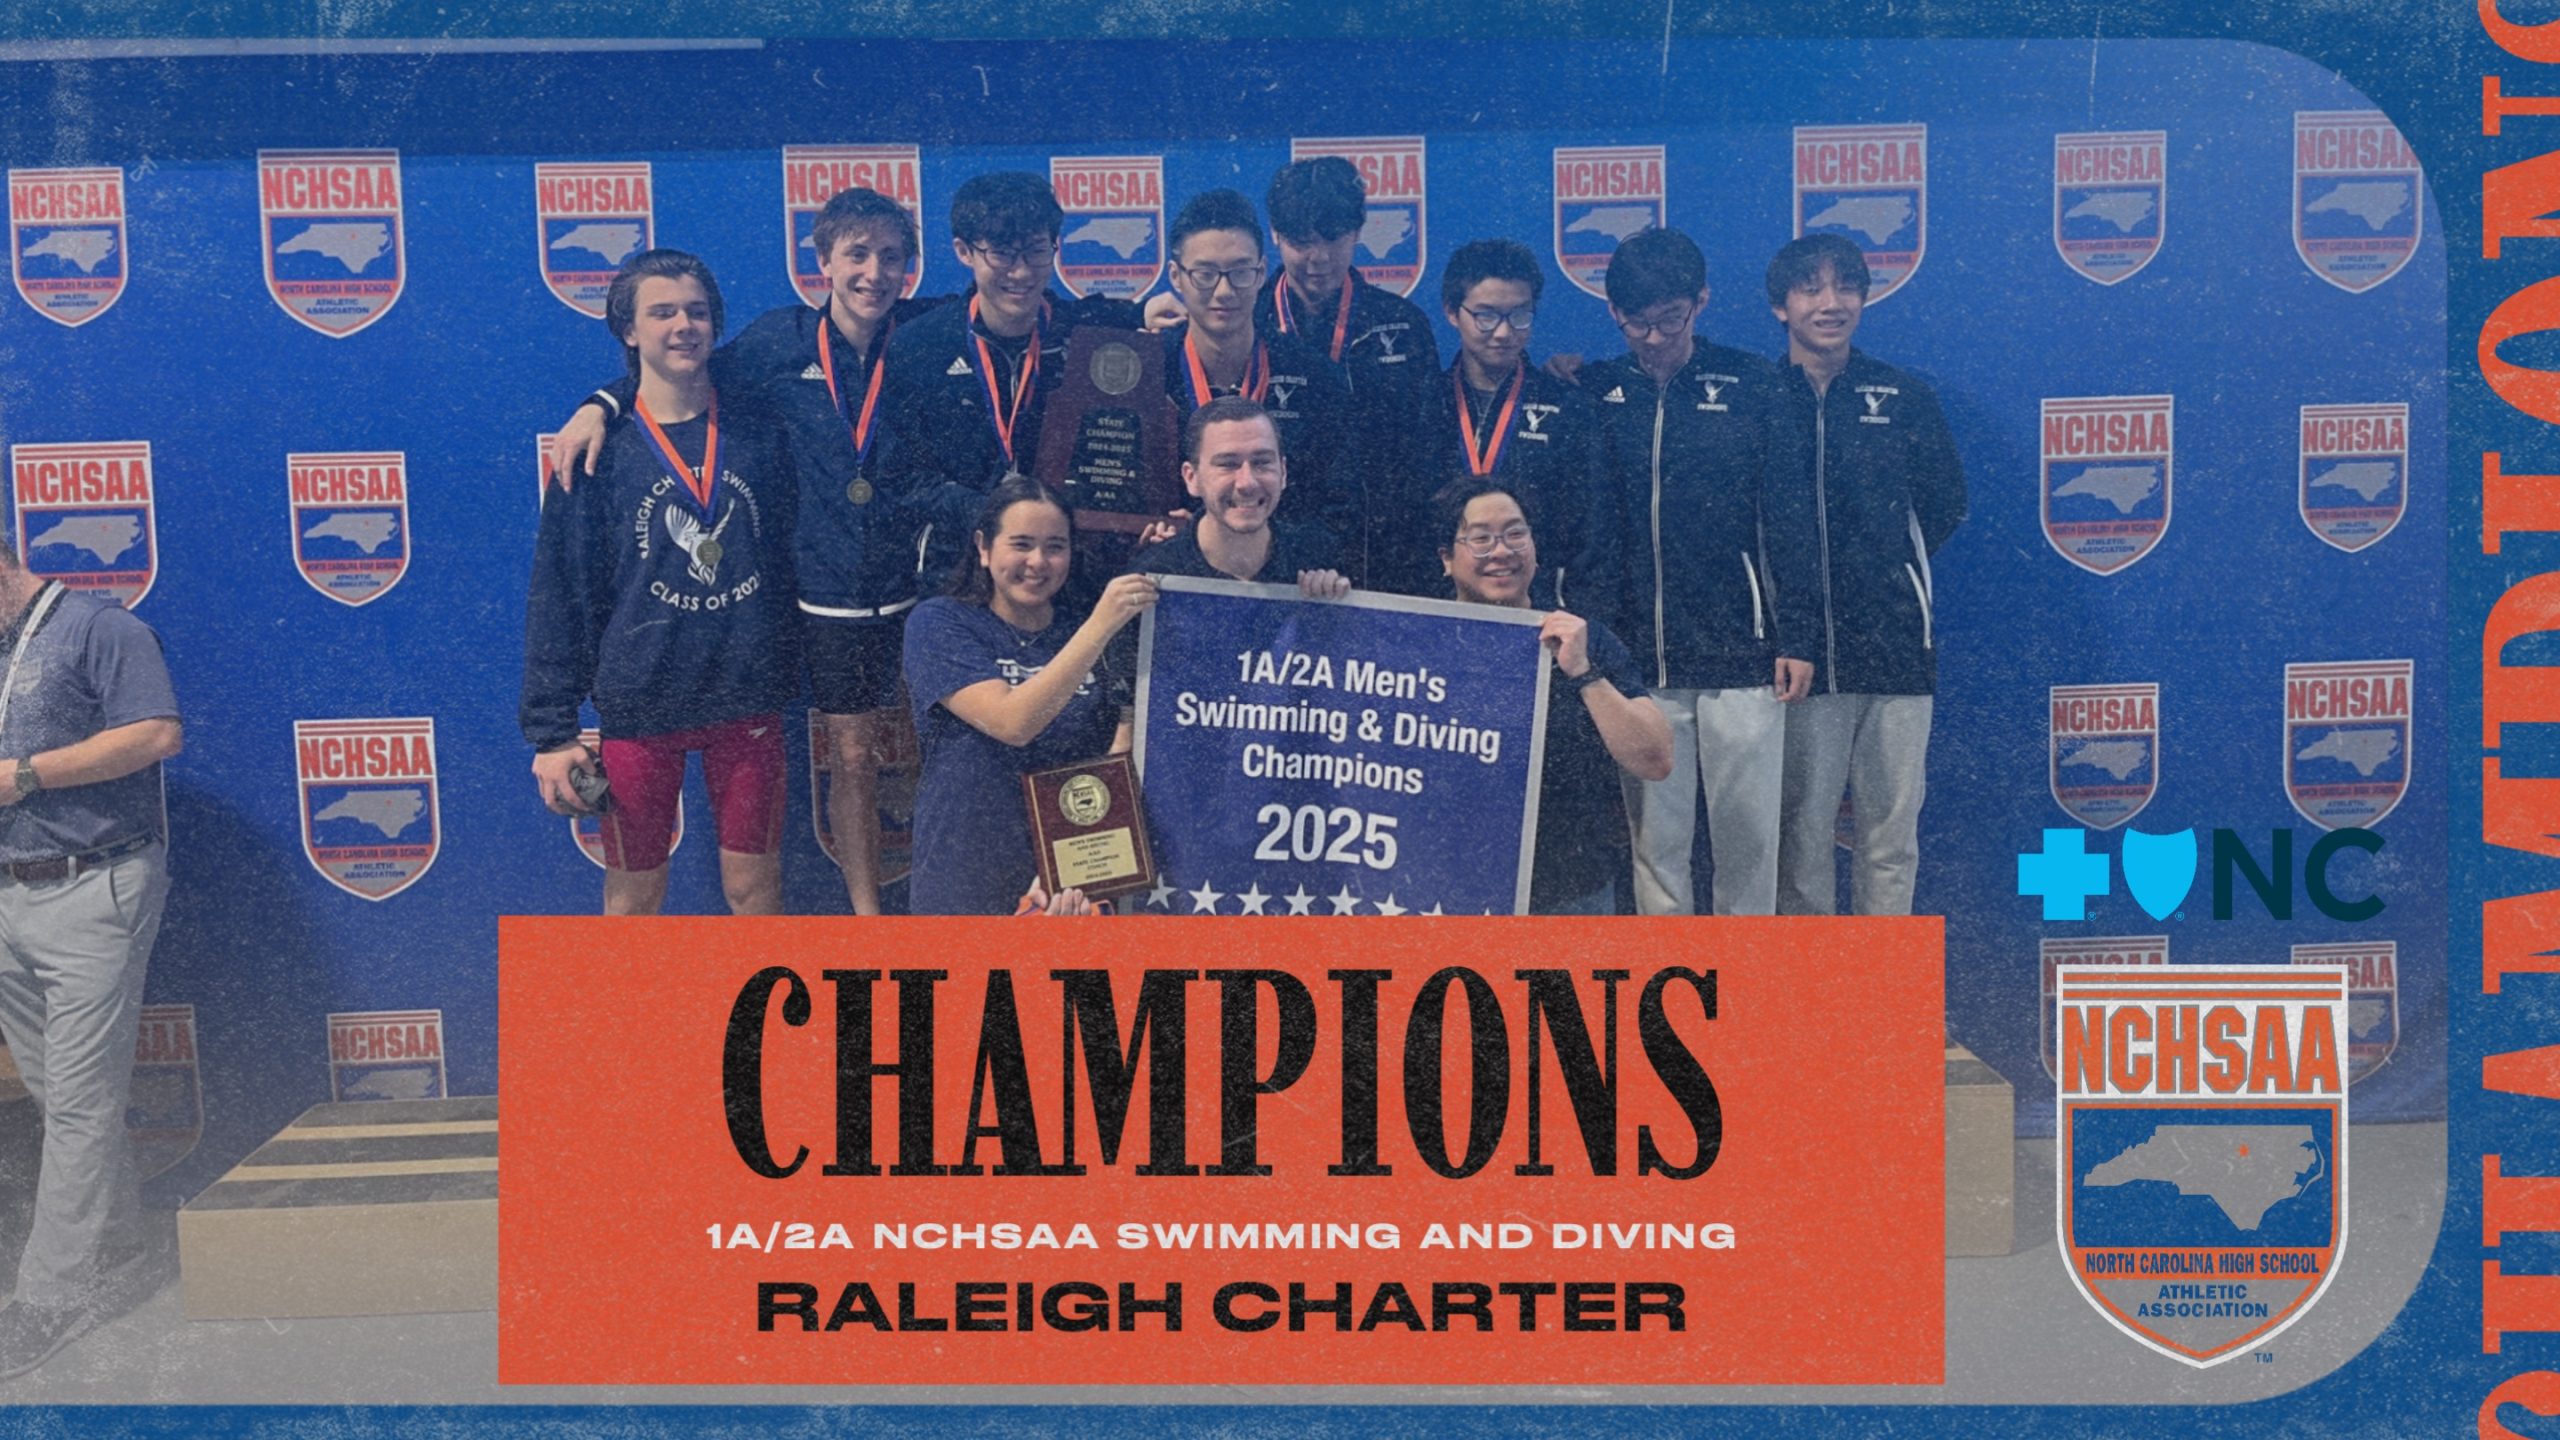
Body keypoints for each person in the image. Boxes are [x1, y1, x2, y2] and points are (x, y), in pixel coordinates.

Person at [545, 187, 928, 915]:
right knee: (636, 890)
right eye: (856, 254)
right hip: (699, 666)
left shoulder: (926, 331)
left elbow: (1010, 309)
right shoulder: (776, 342)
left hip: (883, 604)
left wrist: (1138, 320)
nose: (874, 272)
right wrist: (603, 402)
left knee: (907, 771)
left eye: (890, 256)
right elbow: (680, 369)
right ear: (821, 262)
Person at [521, 249, 799, 916]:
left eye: (697, 312)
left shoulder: (760, 430)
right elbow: (561, 592)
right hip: (641, 702)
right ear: (628, 329)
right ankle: (631, 999)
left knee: (754, 891)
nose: (683, 326)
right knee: (633, 896)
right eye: (662, 312)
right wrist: (552, 731)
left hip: (746, 697)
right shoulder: (596, 449)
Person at [1582, 226, 1816, 920]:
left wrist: (1798, 633)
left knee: (1748, 845)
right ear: (1614, 312)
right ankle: (1672, 983)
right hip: (1638, 663)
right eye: (1637, 323)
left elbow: (1790, 518)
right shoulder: (1596, 391)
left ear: (1702, 302)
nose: (1654, 338)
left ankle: (1747, 985)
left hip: (1743, 658)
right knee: (1656, 849)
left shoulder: (1755, 385)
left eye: (1671, 319)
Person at [0, 541, 182, 1378]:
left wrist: (24, 777)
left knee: (77, 1102)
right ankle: (118, 1244)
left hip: (93, 884)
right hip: (9, 891)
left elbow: (157, 732)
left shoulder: (99, 628)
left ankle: (49, 1295)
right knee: (58, 1093)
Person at [1764, 233, 1968, 917]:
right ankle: (1812, 984)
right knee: (1802, 839)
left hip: (1896, 650)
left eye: (1845, 286)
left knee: (1889, 839)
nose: (1831, 303)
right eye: (1811, 289)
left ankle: (1880, 986)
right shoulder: (1760, 399)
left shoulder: (1905, 397)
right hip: (1800, 659)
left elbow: (1944, 505)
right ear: (1780, 306)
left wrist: (1887, 571)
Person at [875, 171, 1143, 594]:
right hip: (956, 572)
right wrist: (991, 513)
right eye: (1001, 253)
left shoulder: (1089, 340)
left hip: (1063, 575)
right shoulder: (920, 346)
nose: (1020, 272)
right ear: (964, 251)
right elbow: (899, 476)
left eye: (1036, 251)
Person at [902, 478, 1157, 916]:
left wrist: (1076, 872)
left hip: (1065, 887)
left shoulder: (1083, 628)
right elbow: (1012, 723)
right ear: (983, 548)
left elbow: (1114, 754)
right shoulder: (939, 624)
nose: (1038, 562)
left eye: (1055, 547)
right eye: (1021, 544)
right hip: (961, 878)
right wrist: (1099, 626)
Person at [1436, 477, 1671, 915]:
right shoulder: (1417, 644)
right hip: (1446, 893)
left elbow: (1655, 759)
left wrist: (1584, 673)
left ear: (1535, 548)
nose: (1501, 551)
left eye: (1515, 534)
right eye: (1481, 539)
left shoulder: (1584, 639)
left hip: (1570, 892)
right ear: (1447, 558)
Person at [1153, 190, 1363, 580]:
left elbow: (1340, 512)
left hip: (1286, 587)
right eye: (1205, 274)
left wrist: (1266, 543)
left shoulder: (1315, 378)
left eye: (1240, 272)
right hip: (1166, 583)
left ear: (1262, 272)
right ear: (1176, 276)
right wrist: (1152, 534)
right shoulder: (1146, 369)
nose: (1224, 291)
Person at [1412, 238, 1604, 604]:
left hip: (1540, 614)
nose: (1503, 333)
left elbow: (1592, 536)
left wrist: (1576, 616)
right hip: (1438, 614)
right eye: (1486, 316)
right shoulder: (1420, 407)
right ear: (1452, 312)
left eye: (1519, 315)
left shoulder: (1567, 407)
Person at [1128, 395, 1349, 597]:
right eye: (1228, 464)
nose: (1247, 483)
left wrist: (1336, 607)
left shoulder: (1321, 560)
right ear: (1191, 477)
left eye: (1262, 462)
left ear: (1283, 472)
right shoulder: (1153, 577)